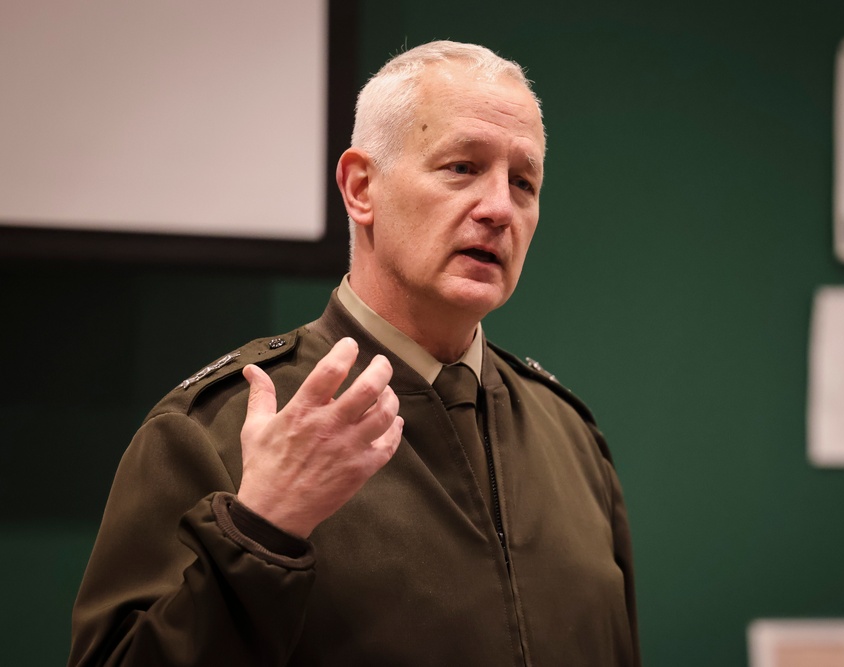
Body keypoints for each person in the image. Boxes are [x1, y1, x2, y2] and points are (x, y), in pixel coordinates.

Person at [69, 40, 640, 666]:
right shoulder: (213, 431)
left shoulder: (574, 440)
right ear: (361, 187)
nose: (500, 208)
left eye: (523, 182)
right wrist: (260, 534)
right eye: (461, 168)